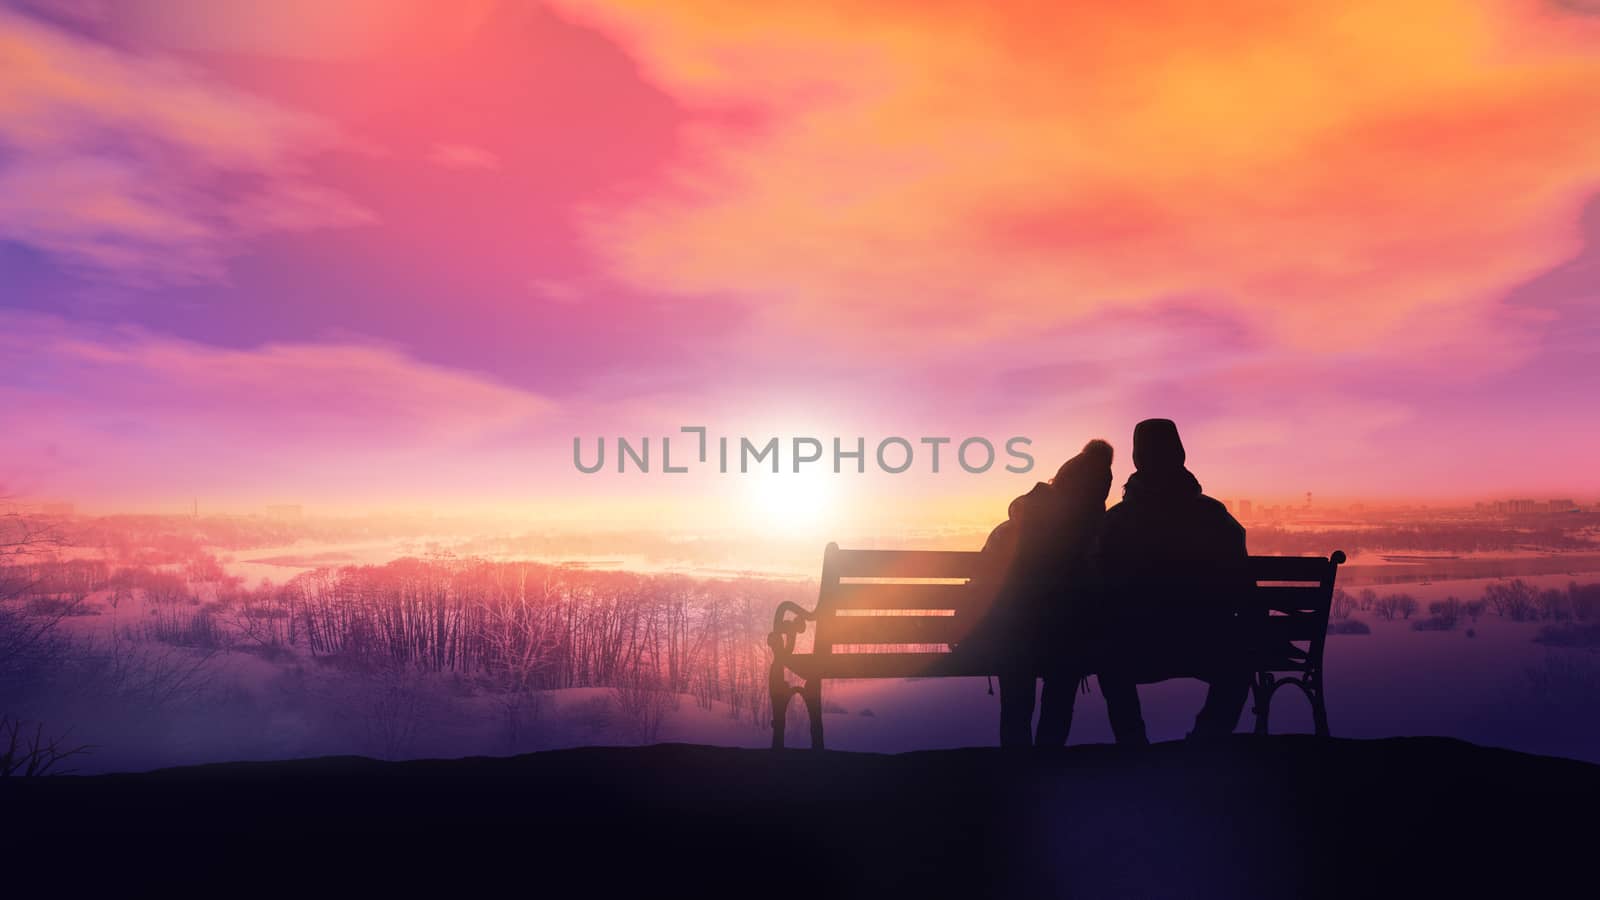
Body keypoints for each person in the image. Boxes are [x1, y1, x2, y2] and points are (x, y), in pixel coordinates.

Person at [1096, 418, 1253, 743]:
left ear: (1138, 459)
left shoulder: (1116, 522)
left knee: (1108, 657)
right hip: (1207, 643)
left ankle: (1133, 744)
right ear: (1180, 455)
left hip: (1134, 647)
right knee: (1239, 663)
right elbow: (1242, 587)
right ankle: (1206, 742)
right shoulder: (1215, 516)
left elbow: (1098, 588)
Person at [970, 439, 1114, 748]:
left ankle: (1017, 767)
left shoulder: (1013, 528)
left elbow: (980, 582)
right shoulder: (1094, 540)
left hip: (1011, 640)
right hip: (1065, 644)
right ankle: (1048, 761)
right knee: (1063, 683)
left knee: (1016, 705)